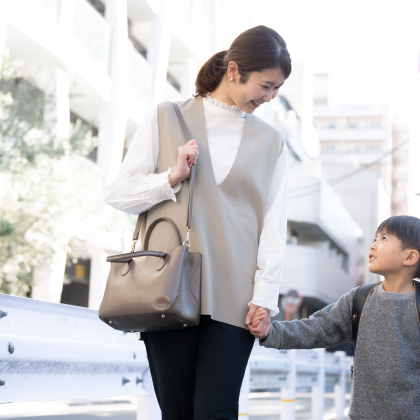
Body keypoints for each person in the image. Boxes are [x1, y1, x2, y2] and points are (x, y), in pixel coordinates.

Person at [102, 25, 291, 419]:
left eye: (277, 90)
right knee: (176, 410)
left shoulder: (272, 142)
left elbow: (274, 226)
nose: (270, 98)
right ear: (235, 70)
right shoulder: (166, 117)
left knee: (216, 410)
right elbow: (119, 193)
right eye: (266, 86)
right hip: (167, 289)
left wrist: (265, 298)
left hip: (237, 298)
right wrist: (171, 177)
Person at [250, 215, 420, 420]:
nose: (373, 245)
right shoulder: (359, 299)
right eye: (375, 238)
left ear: (410, 257)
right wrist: (271, 331)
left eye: (384, 239)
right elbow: (317, 328)